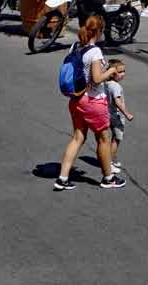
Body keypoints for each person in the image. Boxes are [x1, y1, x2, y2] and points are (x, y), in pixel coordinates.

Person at [54, 16, 126, 191]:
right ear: (99, 31)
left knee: (78, 137)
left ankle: (62, 178)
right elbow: (96, 79)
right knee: (103, 138)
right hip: (93, 101)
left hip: (76, 99)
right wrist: (110, 70)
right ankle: (108, 178)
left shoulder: (76, 46)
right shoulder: (95, 52)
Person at [104, 59, 134, 170]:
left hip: (107, 114)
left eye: (124, 71)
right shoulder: (116, 86)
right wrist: (127, 114)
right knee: (117, 138)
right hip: (116, 116)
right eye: (120, 72)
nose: (123, 74)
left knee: (110, 138)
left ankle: (112, 157)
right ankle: (110, 162)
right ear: (112, 73)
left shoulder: (106, 83)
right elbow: (118, 102)